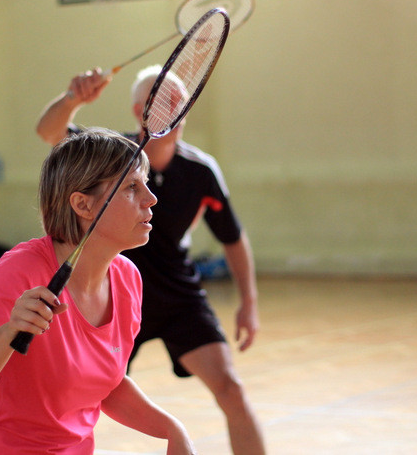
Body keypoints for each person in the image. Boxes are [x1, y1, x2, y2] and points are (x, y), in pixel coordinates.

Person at [36, 67, 266, 455]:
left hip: (178, 294)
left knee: (231, 388)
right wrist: (74, 97)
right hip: (112, 296)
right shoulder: (109, 160)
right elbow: (50, 132)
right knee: (75, 398)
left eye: (183, 101)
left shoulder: (201, 171)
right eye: (166, 100)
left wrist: (249, 303)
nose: (179, 108)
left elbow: (233, 238)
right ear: (140, 110)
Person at [0, 128, 195, 454]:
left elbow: (104, 386)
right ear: (82, 205)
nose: (151, 197)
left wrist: (173, 430)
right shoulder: (17, 273)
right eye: (132, 186)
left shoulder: (127, 279)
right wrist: (9, 331)